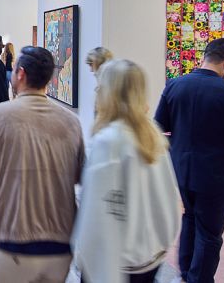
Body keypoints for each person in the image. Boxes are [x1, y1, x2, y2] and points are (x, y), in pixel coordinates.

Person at [0, 46, 85, 282]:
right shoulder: (71, 122)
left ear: (20, 74)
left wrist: (5, 170)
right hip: (59, 242)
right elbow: (79, 174)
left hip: (11, 238)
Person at [154, 38, 224, 283]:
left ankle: (185, 275)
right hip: (215, 176)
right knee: (210, 234)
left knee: (190, 218)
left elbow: (159, 125)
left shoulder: (175, 85)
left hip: (181, 171)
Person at [73, 60, 180, 283]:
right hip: (148, 259)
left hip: (115, 265)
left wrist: (84, 254)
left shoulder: (109, 141)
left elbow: (96, 212)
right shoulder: (152, 135)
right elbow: (168, 201)